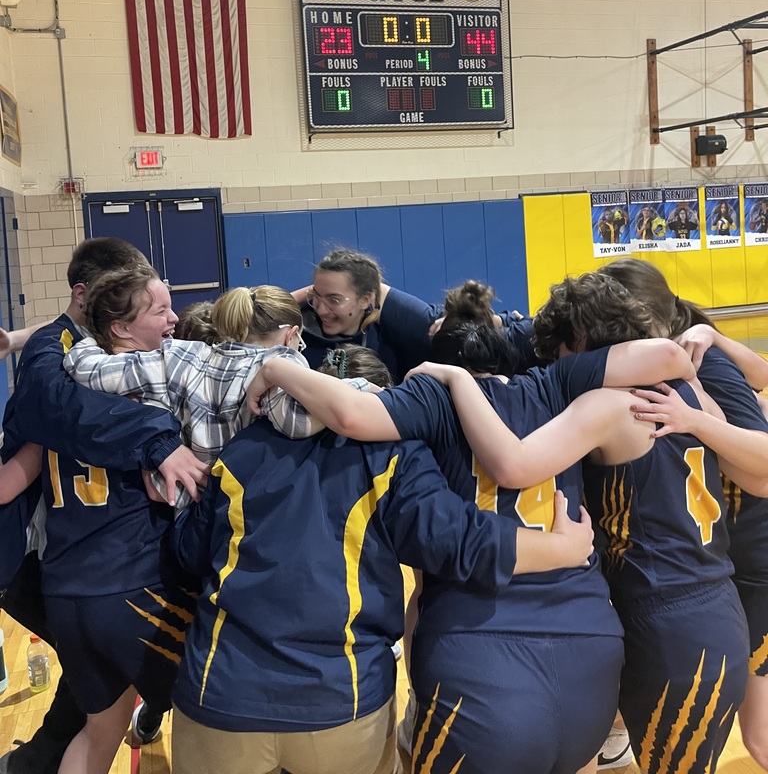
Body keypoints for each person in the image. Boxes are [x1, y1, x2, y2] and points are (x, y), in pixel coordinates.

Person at [246, 278, 698, 774]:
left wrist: (275, 367)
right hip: (589, 650)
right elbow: (668, 357)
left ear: (436, 361)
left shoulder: (430, 396)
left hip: (480, 653)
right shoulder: (558, 383)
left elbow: (351, 413)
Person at [418, 270, 768, 774]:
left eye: (559, 355)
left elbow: (515, 464)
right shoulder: (688, 388)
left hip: (671, 617)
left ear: (579, 342)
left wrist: (455, 380)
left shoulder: (607, 402)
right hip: (707, 600)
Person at [170, 404, 597, 774]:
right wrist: (561, 547)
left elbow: (189, 554)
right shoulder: (393, 450)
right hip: (341, 699)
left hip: (219, 691)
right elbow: (460, 539)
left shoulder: (241, 447)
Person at [0, 237, 206, 774]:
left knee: (99, 730)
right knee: (210, 714)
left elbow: (5, 486)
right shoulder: (146, 399)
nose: (172, 320)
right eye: (159, 309)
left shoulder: (55, 400)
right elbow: (173, 494)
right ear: (119, 324)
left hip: (65, 590)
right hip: (132, 585)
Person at [601, 256, 768, 770]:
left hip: (753, 567)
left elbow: (762, 466)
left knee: (758, 736)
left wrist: (695, 419)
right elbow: (761, 373)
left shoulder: (701, 367)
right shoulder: (687, 353)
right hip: (718, 567)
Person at [63, 283, 324, 498]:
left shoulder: (182, 356)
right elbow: (297, 421)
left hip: (190, 519)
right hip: (248, 517)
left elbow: (84, 368)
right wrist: (354, 386)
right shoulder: (274, 367)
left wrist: (93, 337)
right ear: (291, 336)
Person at [292, 248, 437, 381]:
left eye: (334, 300)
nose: (321, 310)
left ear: (365, 300)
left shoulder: (389, 338)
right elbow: (269, 309)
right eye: (316, 296)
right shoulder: (296, 335)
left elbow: (441, 323)